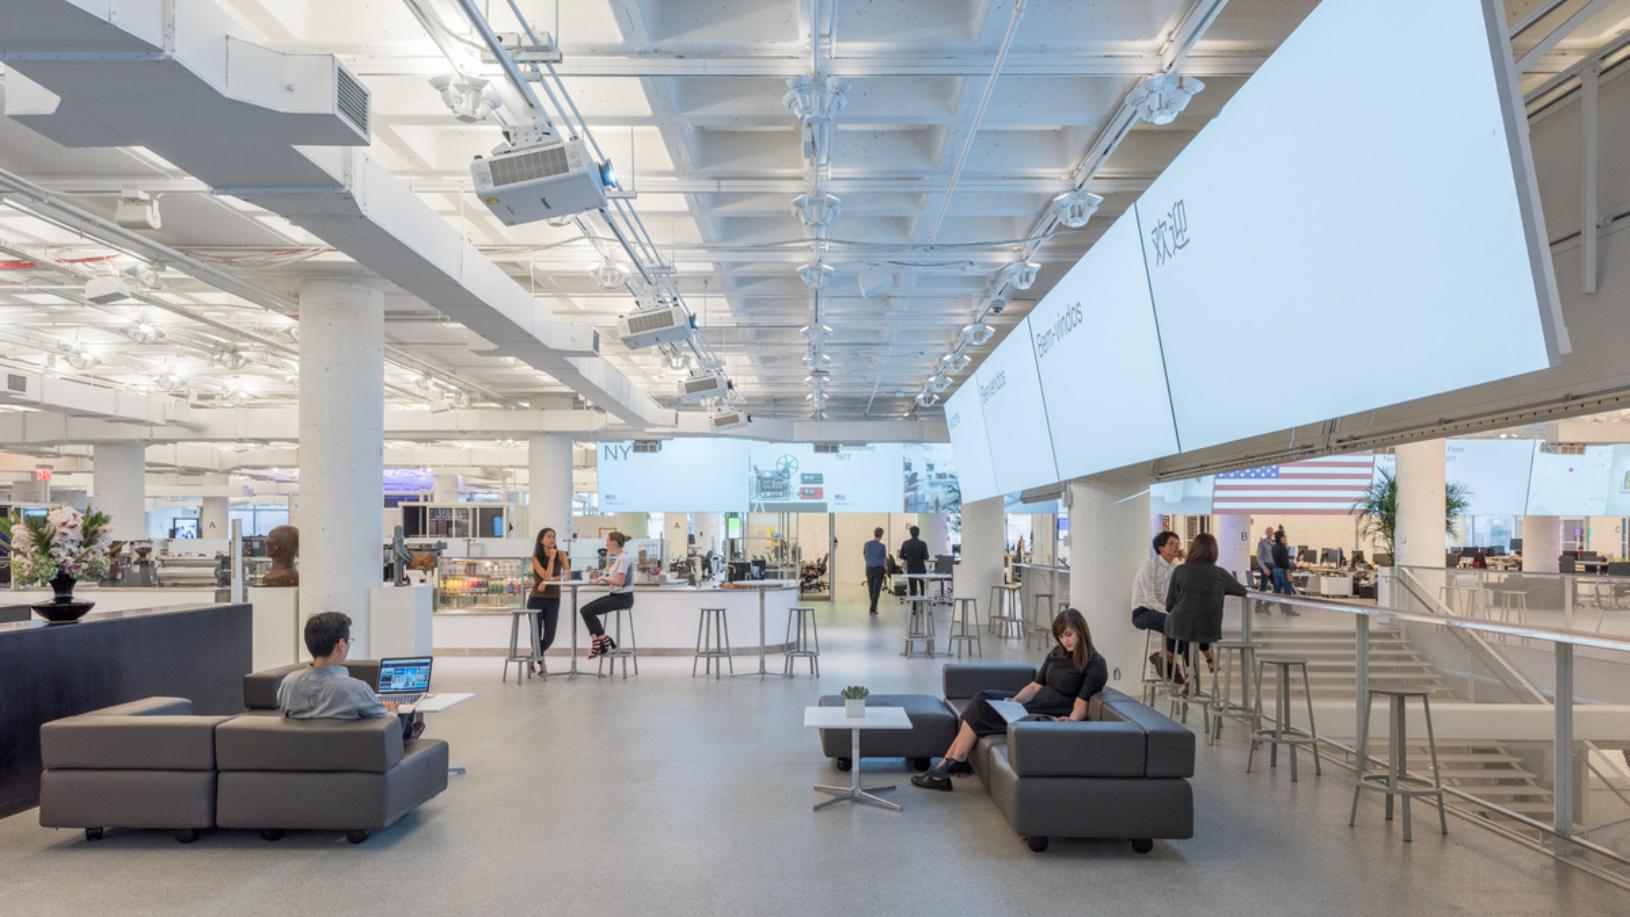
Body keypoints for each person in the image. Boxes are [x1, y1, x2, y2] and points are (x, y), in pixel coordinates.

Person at [912, 607, 1107, 791]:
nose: (1065, 641)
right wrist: (1014, 701)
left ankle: (949, 765)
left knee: (981, 706)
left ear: (1081, 631)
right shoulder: (1057, 652)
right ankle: (950, 765)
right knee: (983, 697)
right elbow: (1034, 686)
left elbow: (1081, 703)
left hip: (1048, 712)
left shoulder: (1095, 664)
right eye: (1061, 636)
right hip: (1032, 704)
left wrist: (1071, 721)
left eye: (1069, 634)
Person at [277, 611, 422, 745]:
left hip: (301, 756)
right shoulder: (355, 689)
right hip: (354, 756)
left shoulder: (288, 684)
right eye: (349, 641)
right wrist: (391, 711)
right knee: (404, 718)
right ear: (341, 645)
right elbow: (387, 726)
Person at [1165, 533, 1249, 694]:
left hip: (1179, 624)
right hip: (1208, 626)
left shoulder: (1180, 570)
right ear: (1214, 552)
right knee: (1191, 630)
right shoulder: (1220, 573)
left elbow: (1169, 605)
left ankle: (1186, 672)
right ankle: (1196, 669)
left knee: (1182, 629)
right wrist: (1218, 591)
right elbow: (1241, 591)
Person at [1131, 531, 1183, 680]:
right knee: (1173, 622)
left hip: (1163, 611)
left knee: (1183, 624)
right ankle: (1169, 663)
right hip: (1142, 611)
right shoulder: (1150, 566)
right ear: (1161, 548)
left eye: (1178, 544)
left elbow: (1174, 596)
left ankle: (1164, 658)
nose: (1177, 547)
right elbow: (1149, 599)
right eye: (1172, 544)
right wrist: (1170, 613)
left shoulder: (1175, 568)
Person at [580, 531, 635, 658]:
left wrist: (601, 579)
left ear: (614, 543)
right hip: (616, 596)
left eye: (607, 542)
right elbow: (616, 579)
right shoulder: (619, 558)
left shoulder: (623, 559)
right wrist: (602, 578)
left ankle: (600, 642)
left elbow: (619, 582)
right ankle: (601, 640)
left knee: (587, 611)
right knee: (585, 610)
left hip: (623, 599)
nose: (606, 544)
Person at [527, 527, 569, 675]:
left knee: (550, 636)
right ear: (541, 540)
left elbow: (567, 576)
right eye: (548, 537)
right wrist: (551, 559)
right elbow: (545, 575)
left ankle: (533, 657)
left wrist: (548, 580)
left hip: (553, 599)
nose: (552, 539)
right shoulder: (535, 557)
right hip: (536, 599)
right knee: (536, 633)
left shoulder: (561, 554)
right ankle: (541, 665)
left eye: (554, 537)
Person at [899, 525, 930, 598]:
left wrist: (908, 558)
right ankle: (922, 601)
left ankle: (914, 604)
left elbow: (901, 556)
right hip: (921, 569)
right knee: (923, 588)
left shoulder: (905, 543)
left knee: (913, 589)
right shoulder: (923, 544)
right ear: (918, 533)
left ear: (910, 533)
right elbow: (926, 557)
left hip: (911, 569)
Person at [863, 526, 887, 615]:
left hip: (869, 568)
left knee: (871, 588)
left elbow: (864, 554)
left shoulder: (867, 544)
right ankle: (873, 608)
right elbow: (885, 559)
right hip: (879, 569)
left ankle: (873, 606)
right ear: (881, 535)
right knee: (876, 590)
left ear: (874, 534)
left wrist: (868, 561)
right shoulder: (882, 546)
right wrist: (885, 568)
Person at [1255, 526, 1275, 591]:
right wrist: (1264, 568)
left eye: (1271, 531)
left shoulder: (1274, 543)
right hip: (1266, 565)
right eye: (1268, 531)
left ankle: (1274, 597)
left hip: (1273, 565)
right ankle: (1260, 597)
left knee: (1277, 585)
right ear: (1265, 533)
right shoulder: (1262, 542)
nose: (1270, 533)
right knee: (1264, 587)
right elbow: (1259, 557)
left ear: (1273, 533)